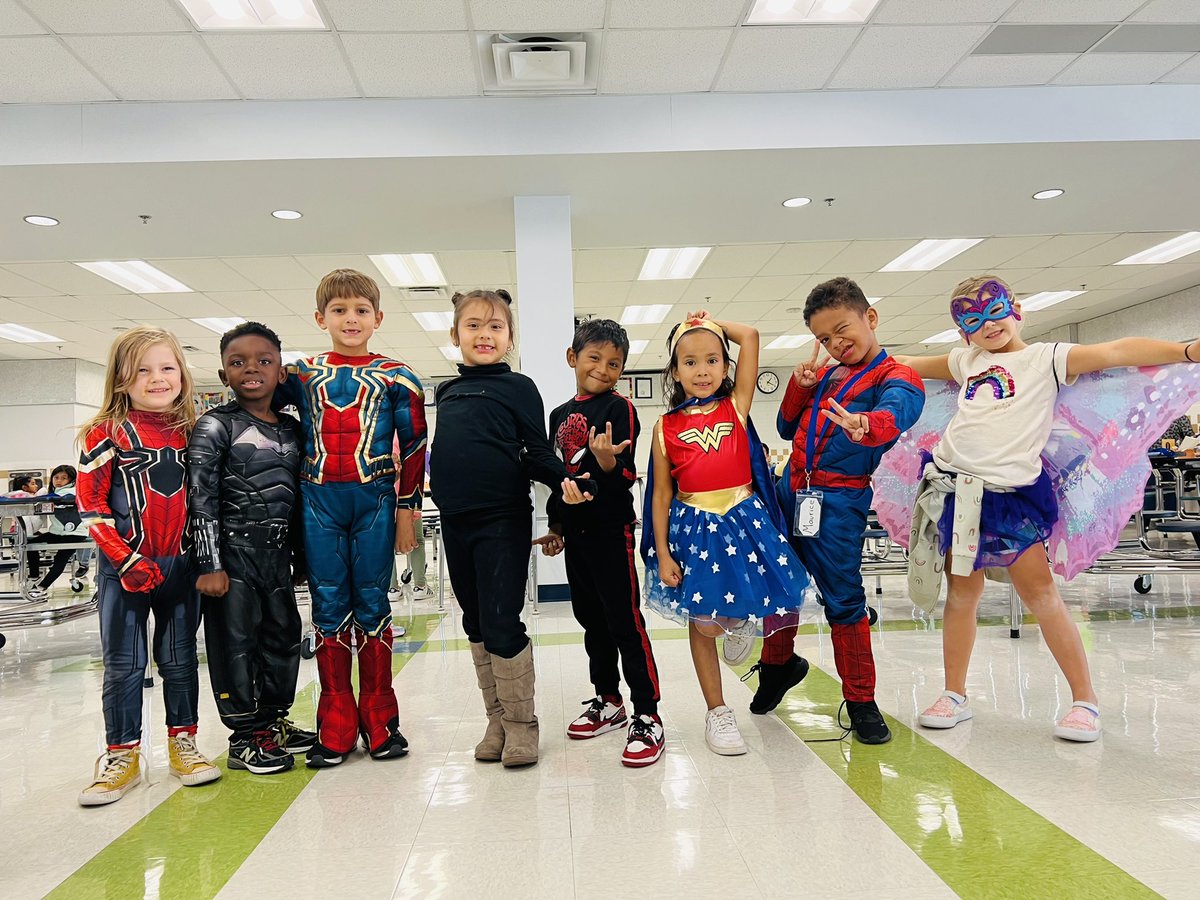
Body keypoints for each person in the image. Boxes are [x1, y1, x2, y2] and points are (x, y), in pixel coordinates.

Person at [896, 275, 1200, 742]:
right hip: (957, 491)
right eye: (974, 320)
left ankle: (1085, 700)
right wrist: (849, 364)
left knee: (1040, 596)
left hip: (1011, 497)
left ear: (1016, 309)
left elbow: (1117, 352)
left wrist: (1185, 352)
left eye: (995, 311)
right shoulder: (966, 361)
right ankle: (955, 693)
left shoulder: (1048, 357)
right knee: (961, 596)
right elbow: (905, 365)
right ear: (963, 333)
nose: (988, 324)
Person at [748, 277, 925, 744]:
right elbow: (786, 428)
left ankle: (862, 701)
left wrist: (866, 424)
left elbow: (897, 414)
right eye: (825, 338)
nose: (836, 343)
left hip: (839, 502)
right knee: (778, 587)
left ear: (871, 317)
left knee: (844, 601)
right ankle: (777, 668)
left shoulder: (897, 376)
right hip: (792, 492)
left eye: (842, 329)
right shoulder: (827, 374)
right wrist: (798, 387)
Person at [430, 289, 594, 769]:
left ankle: (522, 726)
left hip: (501, 518)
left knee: (502, 622)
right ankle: (496, 721)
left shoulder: (519, 387)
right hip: (454, 520)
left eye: (496, 326)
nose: (485, 334)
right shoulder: (447, 390)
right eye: (474, 325)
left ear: (510, 336)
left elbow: (538, 451)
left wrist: (565, 480)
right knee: (476, 623)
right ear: (455, 334)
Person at [274, 269, 427, 768]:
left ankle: (380, 721)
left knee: (373, 602)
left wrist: (409, 509)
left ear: (378, 318)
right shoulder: (299, 375)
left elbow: (415, 448)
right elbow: (260, 410)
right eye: (339, 310)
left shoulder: (399, 376)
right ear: (321, 318)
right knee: (327, 605)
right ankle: (335, 724)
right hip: (317, 501)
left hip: (377, 499)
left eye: (361, 310)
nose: (351, 318)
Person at [641, 312, 809, 757]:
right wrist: (662, 552)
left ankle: (740, 623)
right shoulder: (665, 427)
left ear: (726, 367)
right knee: (702, 623)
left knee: (738, 603)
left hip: (744, 518)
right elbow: (660, 494)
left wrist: (710, 321)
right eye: (690, 362)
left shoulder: (736, 405)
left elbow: (751, 335)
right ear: (675, 371)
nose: (702, 371)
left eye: (713, 360)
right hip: (694, 528)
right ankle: (717, 712)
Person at [75, 325, 220, 805]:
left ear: (182, 373)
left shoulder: (195, 430)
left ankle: (185, 743)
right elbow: (91, 508)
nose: (157, 378)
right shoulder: (103, 434)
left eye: (166, 367)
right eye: (142, 370)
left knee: (179, 660)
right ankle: (122, 754)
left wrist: (205, 558)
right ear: (120, 378)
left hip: (180, 566)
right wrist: (124, 558)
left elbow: (206, 501)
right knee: (124, 664)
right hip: (124, 569)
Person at [536, 318, 664, 768]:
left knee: (624, 622)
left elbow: (625, 474)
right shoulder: (557, 415)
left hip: (611, 532)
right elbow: (559, 480)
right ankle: (608, 700)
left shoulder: (620, 408)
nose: (604, 369)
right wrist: (557, 528)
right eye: (594, 358)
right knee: (590, 620)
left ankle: (647, 713)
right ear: (573, 358)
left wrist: (608, 462)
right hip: (578, 537)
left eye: (615, 363)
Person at [187, 322, 312, 775]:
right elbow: (199, 497)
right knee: (235, 644)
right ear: (224, 376)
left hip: (276, 558)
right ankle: (244, 735)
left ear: (281, 371)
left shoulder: (295, 432)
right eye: (237, 363)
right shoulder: (214, 426)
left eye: (264, 361)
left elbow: (298, 500)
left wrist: (300, 557)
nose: (251, 369)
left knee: (282, 637)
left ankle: (273, 721)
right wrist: (209, 563)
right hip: (230, 558)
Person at [23, 464, 85, 599]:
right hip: (57, 533)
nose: (59, 480)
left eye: (64, 478)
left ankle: (42, 587)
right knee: (30, 544)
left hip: (75, 534)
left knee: (60, 559)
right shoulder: (53, 493)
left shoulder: (73, 491)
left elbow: (65, 498)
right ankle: (34, 576)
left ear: (72, 480)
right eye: (56, 477)